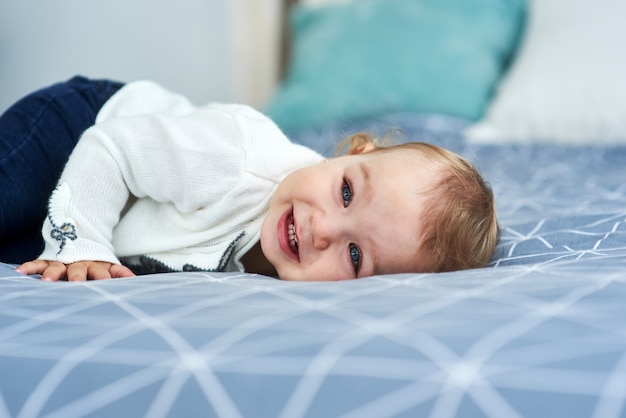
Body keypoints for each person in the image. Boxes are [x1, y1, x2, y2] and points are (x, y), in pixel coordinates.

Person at [0, 76, 499, 282]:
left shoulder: (291, 281)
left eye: (354, 256)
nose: (324, 229)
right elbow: (112, 149)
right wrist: (82, 240)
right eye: (345, 192)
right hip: (78, 131)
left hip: (119, 219)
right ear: (353, 151)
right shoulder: (235, 159)